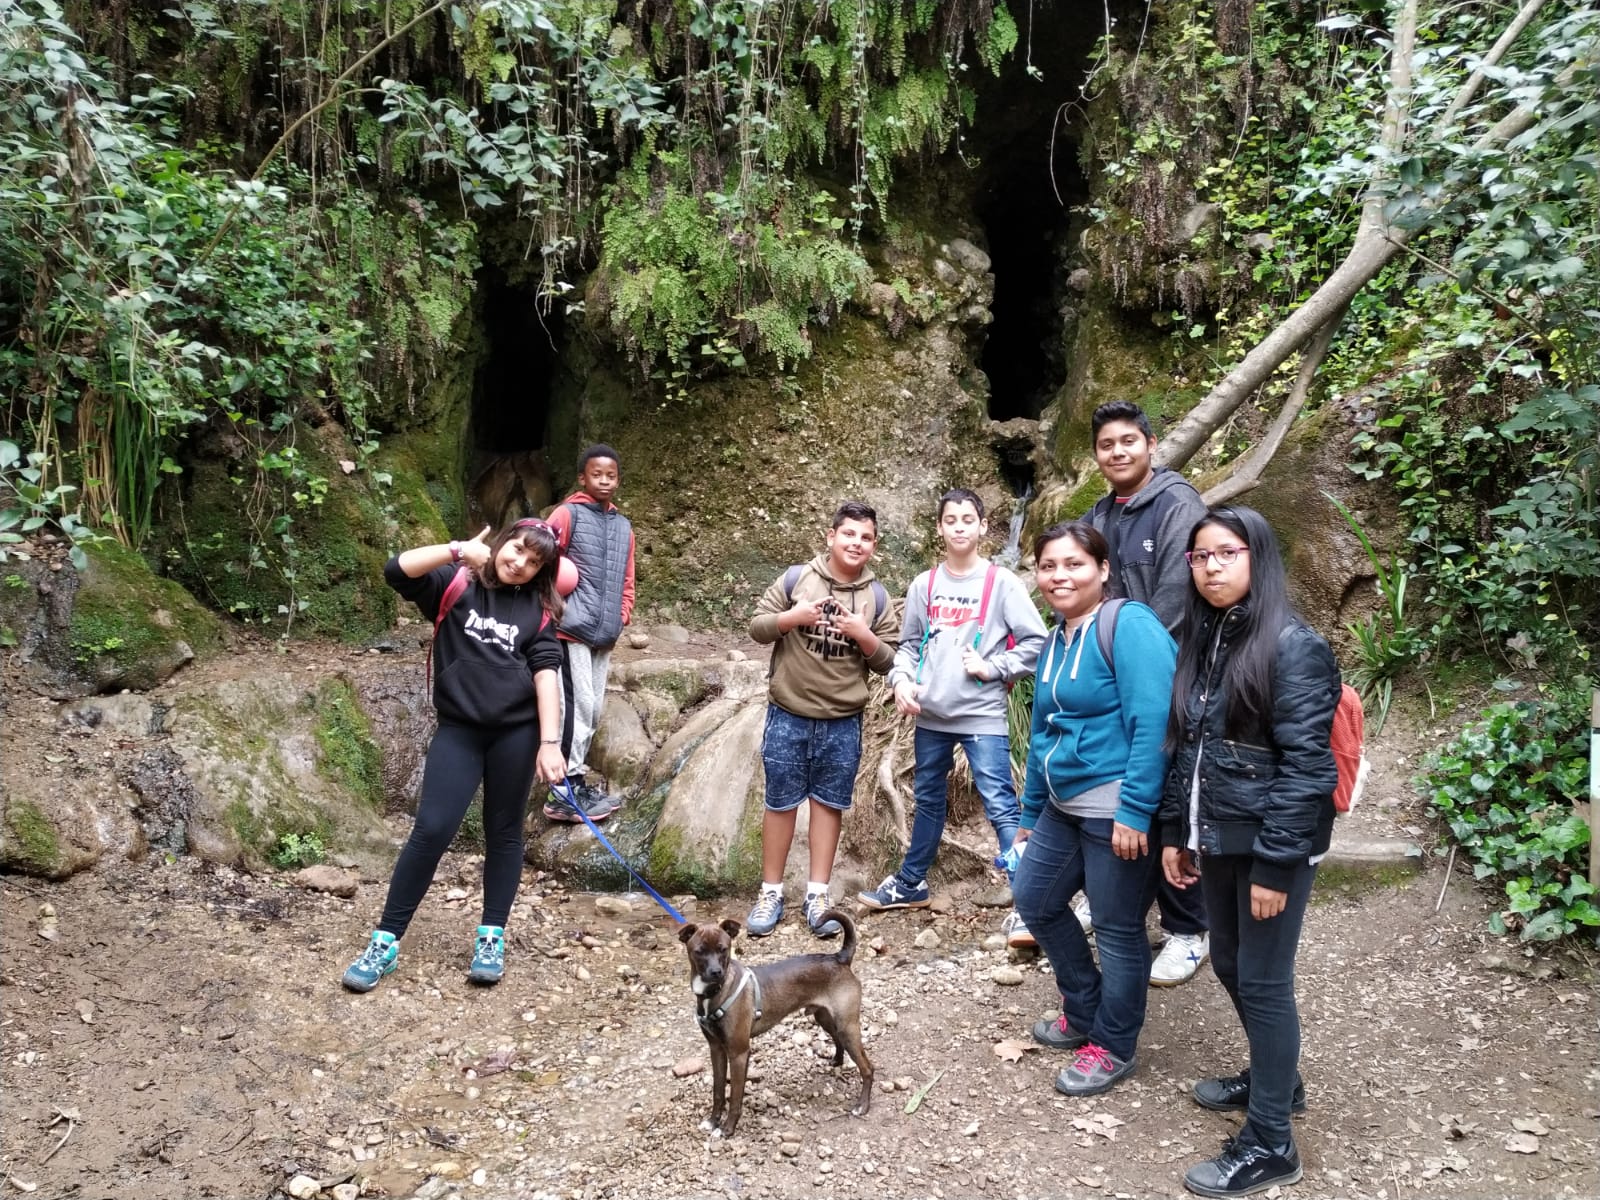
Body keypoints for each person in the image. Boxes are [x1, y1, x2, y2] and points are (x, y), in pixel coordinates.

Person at [1160, 506, 1340, 1198]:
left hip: (1272, 845)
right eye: (1200, 556)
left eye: (1226, 554)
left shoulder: (1293, 646)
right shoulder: (1203, 637)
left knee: (1263, 981)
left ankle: (1271, 1143)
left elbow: (1307, 769)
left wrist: (1276, 865)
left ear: (1257, 558)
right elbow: (1189, 747)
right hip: (1220, 834)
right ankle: (1277, 1081)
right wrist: (1178, 832)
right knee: (1232, 962)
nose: (1211, 568)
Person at [342, 520, 568, 993]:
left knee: (504, 833)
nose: (520, 564)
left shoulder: (539, 610)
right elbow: (396, 570)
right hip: (459, 730)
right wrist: (456, 550)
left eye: (533, 562)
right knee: (431, 829)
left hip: (516, 734)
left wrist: (550, 743)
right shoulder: (457, 583)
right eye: (516, 550)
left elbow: (547, 674)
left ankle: (491, 938)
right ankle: (386, 940)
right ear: (501, 543)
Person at [1011, 522, 1176, 1097]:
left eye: (1074, 564)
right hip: (1062, 805)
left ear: (1103, 569)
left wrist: (1135, 810)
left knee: (1116, 927)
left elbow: (1155, 722)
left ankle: (1113, 1043)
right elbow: (1043, 732)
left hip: (1115, 809)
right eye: (1048, 566)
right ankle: (1084, 1007)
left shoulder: (1128, 625)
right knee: (1035, 898)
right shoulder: (1056, 640)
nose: (1059, 576)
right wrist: (1029, 813)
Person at [858, 489, 1046, 934]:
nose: (959, 527)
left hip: (982, 716)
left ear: (983, 527)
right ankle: (911, 883)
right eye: (951, 520)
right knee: (928, 801)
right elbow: (908, 646)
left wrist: (994, 667)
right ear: (940, 528)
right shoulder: (924, 585)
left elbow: (1038, 642)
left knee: (1001, 806)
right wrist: (901, 681)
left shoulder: (1002, 583)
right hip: (931, 716)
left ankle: (1030, 903)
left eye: (968, 520)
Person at [1082, 399, 1212, 986]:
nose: (1118, 452)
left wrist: (1125, 660)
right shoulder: (1099, 514)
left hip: (1169, 675)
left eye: (1128, 441)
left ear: (1151, 445)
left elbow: (1177, 597)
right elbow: (1081, 585)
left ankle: (1189, 928)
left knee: (1168, 796)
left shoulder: (1177, 505)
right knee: (1116, 788)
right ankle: (1115, 901)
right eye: (1106, 445)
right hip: (1111, 675)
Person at [746, 501, 899, 938]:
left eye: (866, 537)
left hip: (843, 720)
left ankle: (817, 895)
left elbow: (890, 661)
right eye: (848, 533)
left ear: (873, 546)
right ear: (831, 537)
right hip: (788, 713)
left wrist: (863, 636)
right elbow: (757, 626)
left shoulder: (877, 597)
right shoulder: (797, 578)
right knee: (779, 803)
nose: (856, 543)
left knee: (829, 805)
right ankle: (770, 892)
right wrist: (792, 618)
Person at [541, 444, 635, 824]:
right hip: (571, 630)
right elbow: (541, 558)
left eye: (611, 475)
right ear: (582, 478)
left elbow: (627, 577)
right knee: (575, 706)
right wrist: (553, 610)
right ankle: (562, 790)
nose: (604, 481)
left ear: (618, 480)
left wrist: (623, 614)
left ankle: (575, 779)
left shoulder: (624, 526)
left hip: (605, 634)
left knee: (593, 707)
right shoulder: (567, 514)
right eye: (597, 474)